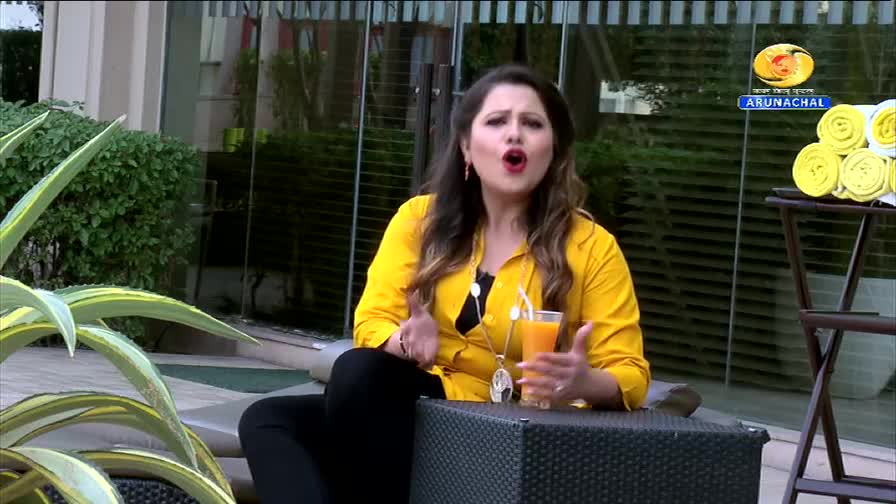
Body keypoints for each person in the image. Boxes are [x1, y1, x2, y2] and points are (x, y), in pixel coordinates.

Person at [238, 63, 650, 504]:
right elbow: (372, 322)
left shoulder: (590, 246)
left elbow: (631, 371)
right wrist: (405, 343)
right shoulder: (420, 221)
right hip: (427, 405)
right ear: (467, 149)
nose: (515, 135)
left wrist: (584, 382)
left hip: (522, 428)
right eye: (496, 122)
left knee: (351, 396)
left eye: (532, 124)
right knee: (272, 417)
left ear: (554, 150)